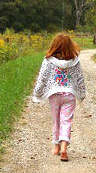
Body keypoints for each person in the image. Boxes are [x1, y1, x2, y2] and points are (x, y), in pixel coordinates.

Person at [33, 33, 86, 162]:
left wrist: (37, 92)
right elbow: (80, 78)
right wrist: (82, 93)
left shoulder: (48, 60)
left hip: (54, 95)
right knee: (66, 121)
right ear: (70, 46)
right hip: (69, 95)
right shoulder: (74, 61)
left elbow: (42, 77)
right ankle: (64, 148)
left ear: (54, 45)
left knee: (56, 120)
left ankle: (56, 147)